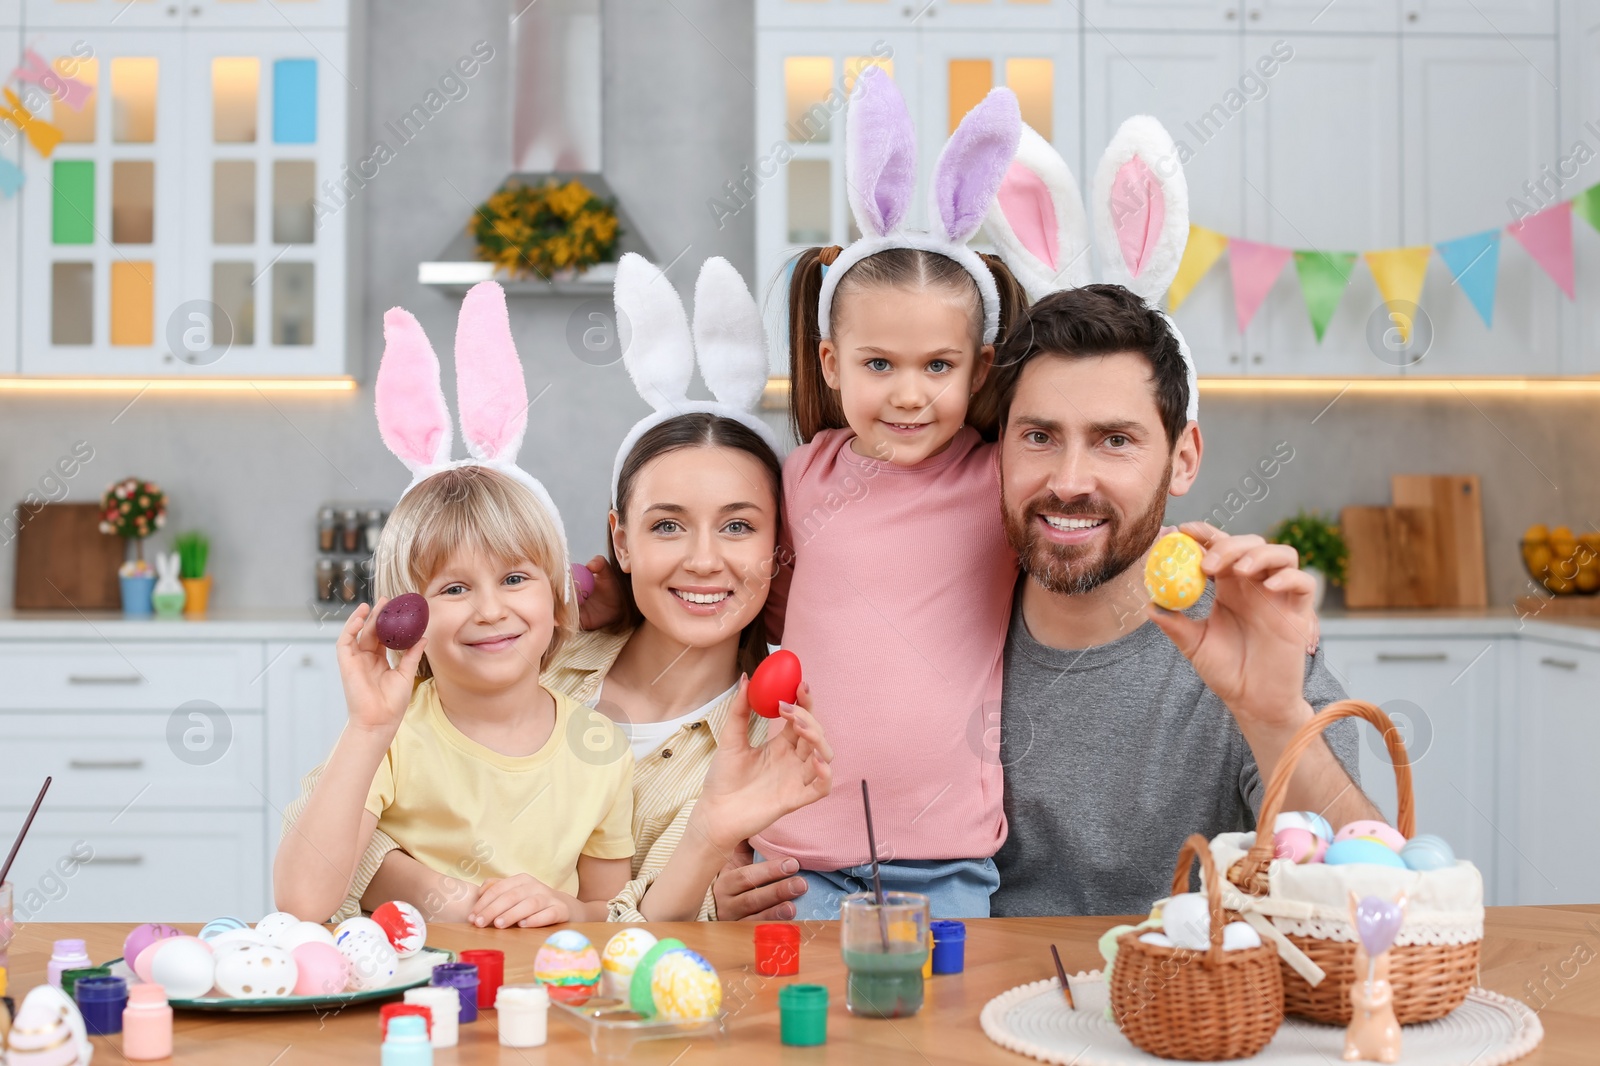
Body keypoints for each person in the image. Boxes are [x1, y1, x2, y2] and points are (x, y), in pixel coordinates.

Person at [289, 263, 835, 926]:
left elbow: (634, 926)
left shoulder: (765, 746)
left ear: (779, 546)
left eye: (739, 526)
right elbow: (339, 828)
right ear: (621, 540)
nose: (702, 559)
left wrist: (680, 905)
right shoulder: (524, 651)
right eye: (667, 524)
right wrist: (452, 898)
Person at [986, 283, 1380, 916]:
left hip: (1187, 1002)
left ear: (1183, 458)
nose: (1068, 482)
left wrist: (1274, 714)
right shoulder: (947, 623)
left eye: (1115, 440)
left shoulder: (1249, 636)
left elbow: (1369, 897)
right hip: (987, 999)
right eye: (1039, 437)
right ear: (999, 450)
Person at [750, 68, 1029, 918]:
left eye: (937, 366)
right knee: (797, 1046)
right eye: (880, 365)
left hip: (948, 859)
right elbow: (739, 590)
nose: (909, 394)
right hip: (797, 851)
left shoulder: (1003, 483)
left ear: (978, 367)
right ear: (832, 367)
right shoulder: (797, 481)